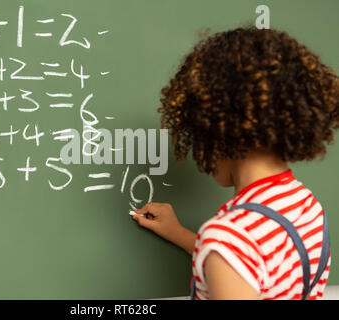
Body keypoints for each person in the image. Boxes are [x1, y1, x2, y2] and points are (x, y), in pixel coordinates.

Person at [132, 27, 338, 300]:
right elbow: (251, 261)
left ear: (217, 127)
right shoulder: (305, 206)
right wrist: (179, 233)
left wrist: (213, 241)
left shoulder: (229, 236)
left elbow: (238, 251)